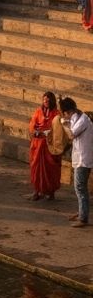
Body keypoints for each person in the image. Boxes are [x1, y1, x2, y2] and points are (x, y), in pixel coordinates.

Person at [60, 97, 92, 228]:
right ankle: (81, 212)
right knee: (79, 187)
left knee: (80, 188)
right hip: (79, 157)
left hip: (83, 159)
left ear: (67, 111)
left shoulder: (83, 119)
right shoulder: (76, 118)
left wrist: (64, 125)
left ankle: (83, 218)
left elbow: (71, 135)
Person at [28, 91, 62, 201]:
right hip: (37, 145)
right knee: (36, 168)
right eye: (44, 100)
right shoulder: (38, 111)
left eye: (48, 100)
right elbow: (32, 125)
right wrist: (35, 132)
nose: (46, 102)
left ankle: (50, 192)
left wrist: (47, 133)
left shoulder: (57, 114)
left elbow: (57, 129)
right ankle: (36, 191)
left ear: (52, 101)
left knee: (51, 169)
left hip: (50, 146)